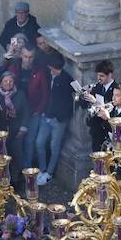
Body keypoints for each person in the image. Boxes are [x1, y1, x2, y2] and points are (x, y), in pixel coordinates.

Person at [34, 53, 73, 185]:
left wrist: (59, 117)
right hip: (46, 116)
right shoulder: (48, 75)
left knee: (54, 146)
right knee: (39, 142)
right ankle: (42, 168)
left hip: (59, 119)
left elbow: (69, 102)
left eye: (52, 68)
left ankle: (49, 173)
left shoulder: (67, 79)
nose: (50, 70)